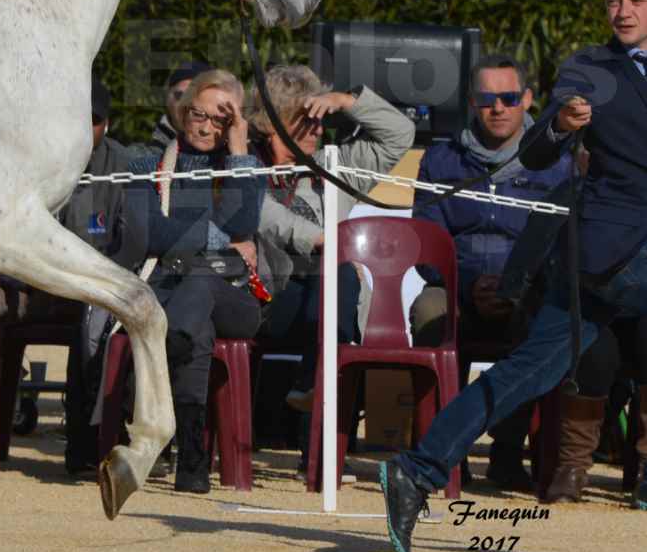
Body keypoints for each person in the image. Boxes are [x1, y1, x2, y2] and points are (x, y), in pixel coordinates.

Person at [382, 0, 647, 552]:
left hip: (614, 263)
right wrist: (560, 127)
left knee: (526, 373)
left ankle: (416, 470)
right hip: (611, 255)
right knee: (528, 371)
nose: (622, 11)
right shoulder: (591, 69)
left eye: (636, 0)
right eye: (614, 0)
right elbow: (534, 150)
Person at [410, 53, 572, 493]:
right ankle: (440, 451)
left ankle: (506, 453)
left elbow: (561, 243)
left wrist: (517, 285)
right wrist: (462, 284)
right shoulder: (441, 160)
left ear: (527, 99)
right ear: (471, 101)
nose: (497, 107)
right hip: (455, 288)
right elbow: (425, 240)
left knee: (544, 325)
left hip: (527, 292)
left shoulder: (560, 161)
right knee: (428, 310)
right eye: (486, 98)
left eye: (507, 97)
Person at [125, 68, 265, 492]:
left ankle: (165, 359)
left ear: (233, 124)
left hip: (235, 297)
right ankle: (192, 456)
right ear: (184, 113)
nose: (205, 126)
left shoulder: (245, 165)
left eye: (220, 120)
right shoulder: (147, 164)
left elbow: (244, 223)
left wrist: (239, 147)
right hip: (169, 291)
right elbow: (147, 232)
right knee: (196, 329)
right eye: (198, 115)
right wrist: (218, 239)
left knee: (201, 284)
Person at [246, 65, 414, 412]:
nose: (319, 128)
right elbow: (260, 213)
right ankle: (320, 377)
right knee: (336, 268)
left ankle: (316, 383)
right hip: (264, 303)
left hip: (327, 310)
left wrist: (347, 101)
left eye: (320, 118)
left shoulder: (334, 164)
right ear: (272, 123)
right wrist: (322, 238)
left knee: (335, 276)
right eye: (306, 119)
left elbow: (400, 134)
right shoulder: (244, 164)